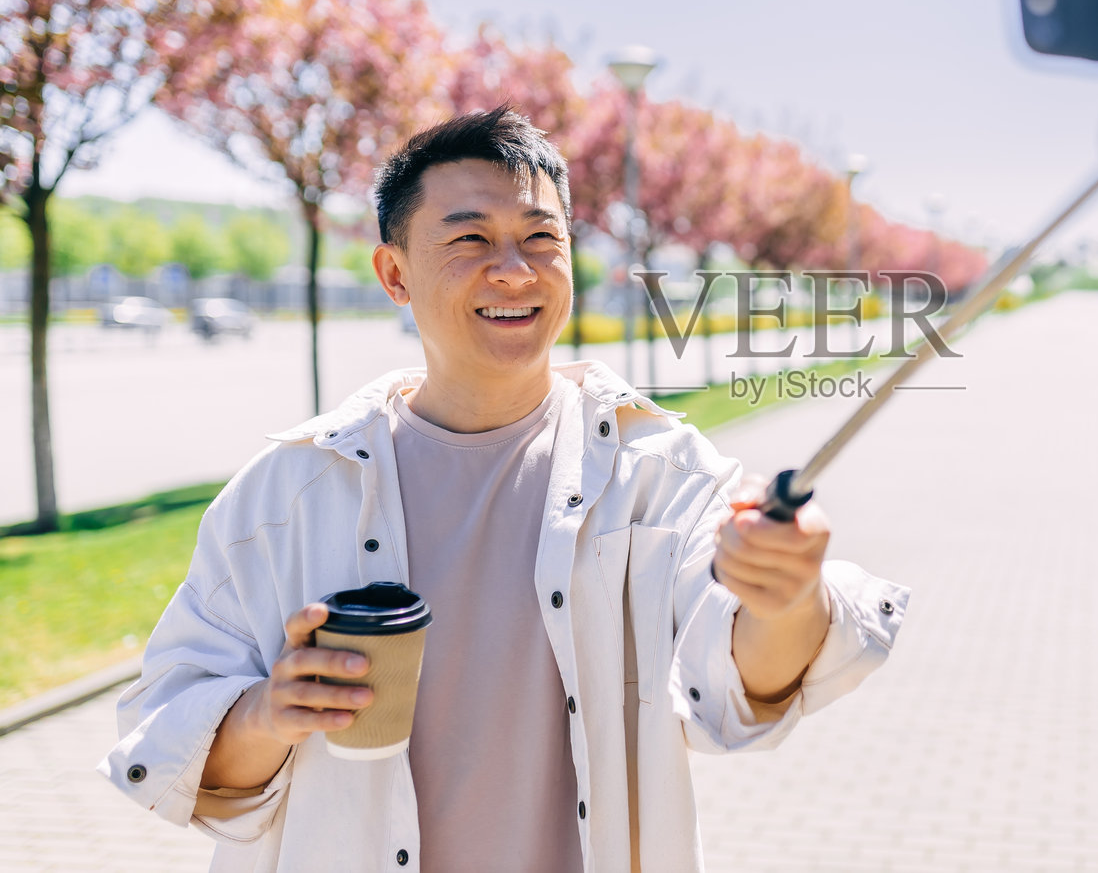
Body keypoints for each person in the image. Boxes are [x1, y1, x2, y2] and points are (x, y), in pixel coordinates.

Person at [98, 106, 909, 872]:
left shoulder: (658, 473)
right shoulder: (281, 497)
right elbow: (173, 737)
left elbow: (747, 683)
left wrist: (783, 594)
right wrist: (269, 713)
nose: (513, 269)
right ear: (393, 272)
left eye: (540, 237)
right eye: (471, 237)